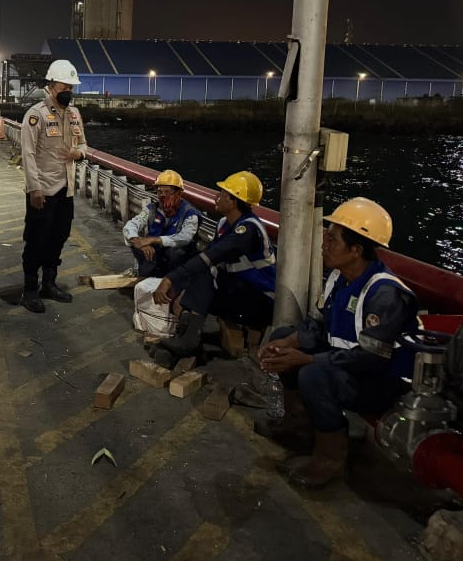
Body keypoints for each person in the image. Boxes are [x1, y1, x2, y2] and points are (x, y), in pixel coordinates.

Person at [257, 197, 419, 488]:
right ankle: (299, 424)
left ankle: (330, 458)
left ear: (356, 250)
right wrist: (289, 343)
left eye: (332, 240)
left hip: (384, 381)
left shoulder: (384, 295)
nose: (324, 244)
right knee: (283, 338)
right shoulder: (339, 278)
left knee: (314, 374)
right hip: (351, 364)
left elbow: (371, 358)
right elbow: (319, 325)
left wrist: (308, 359)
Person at [150, 171, 275, 366]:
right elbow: (207, 257)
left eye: (222, 194)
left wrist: (170, 280)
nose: (217, 197)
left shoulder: (247, 231)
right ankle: (187, 336)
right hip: (238, 291)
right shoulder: (224, 224)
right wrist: (183, 289)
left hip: (258, 302)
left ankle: (188, 341)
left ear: (233, 201)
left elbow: (211, 257)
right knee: (198, 276)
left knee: (203, 272)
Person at [19, 59, 89, 313]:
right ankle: (29, 290)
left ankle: (49, 284)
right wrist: (34, 189)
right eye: (64, 86)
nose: (68, 91)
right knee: (36, 240)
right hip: (44, 190)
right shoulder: (36, 115)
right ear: (50, 86)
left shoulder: (74, 114)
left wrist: (78, 153)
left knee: (59, 237)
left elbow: (84, 145)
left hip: (66, 190)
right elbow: (28, 155)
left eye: (71, 87)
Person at [122, 169, 200, 278]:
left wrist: (154, 240)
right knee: (136, 243)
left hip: (177, 261)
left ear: (178, 193)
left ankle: (174, 280)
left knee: (176, 252)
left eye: (167, 192)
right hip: (156, 256)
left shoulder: (190, 214)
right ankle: (147, 274)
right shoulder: (152, 209)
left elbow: (185, 237)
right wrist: (137, 240)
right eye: (159, 192)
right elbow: (132, 224)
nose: (162, 196)